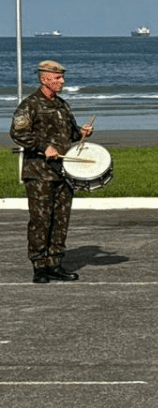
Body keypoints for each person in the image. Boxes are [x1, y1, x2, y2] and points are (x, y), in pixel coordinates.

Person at [10, 60, 93, 283]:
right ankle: (39, 266)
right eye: (58, 78)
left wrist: (82, 132)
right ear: (45, 78)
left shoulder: (62, 105)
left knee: (60, 219)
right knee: (40, 220)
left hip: (64, 172)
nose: (62, 81)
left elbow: (71, 135)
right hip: (39, 173)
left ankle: (55, 263)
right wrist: (42, 147)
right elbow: (18, 133)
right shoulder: (30, 105)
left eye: (62, 77)